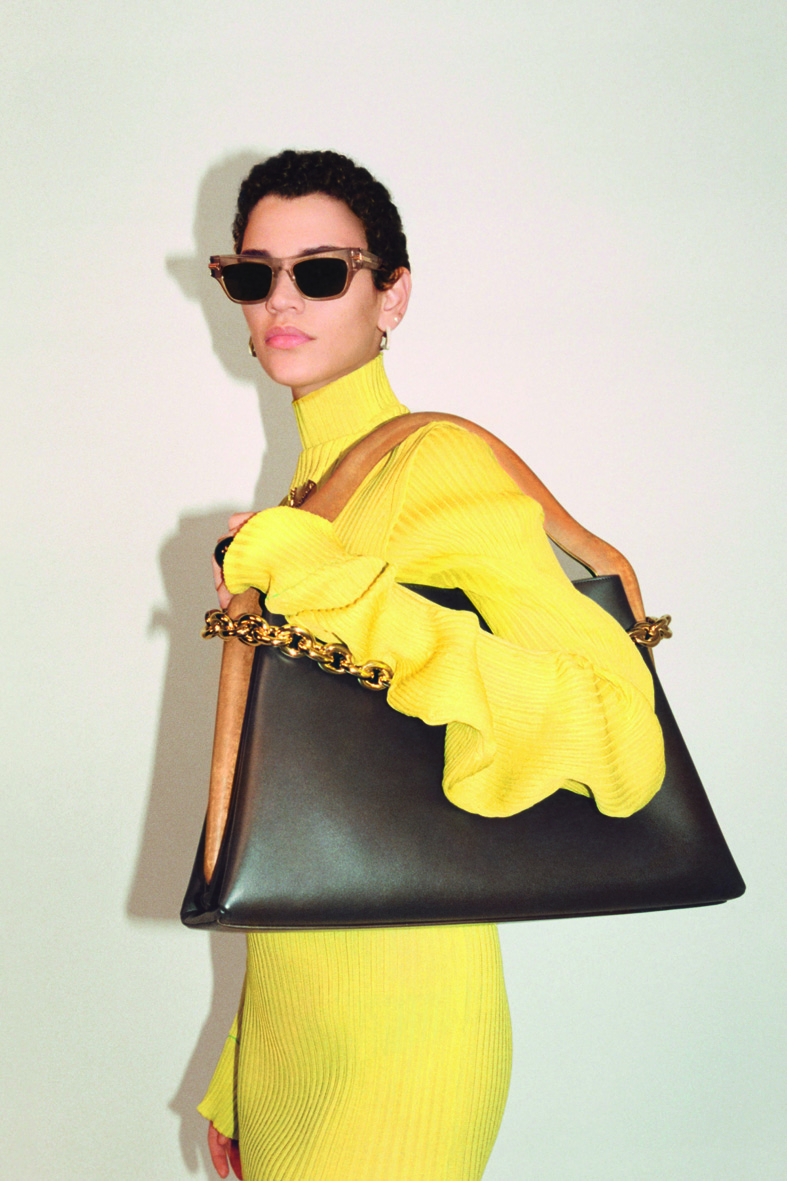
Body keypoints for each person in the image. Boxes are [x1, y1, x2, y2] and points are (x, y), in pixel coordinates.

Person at [196, 149, 665, 1181]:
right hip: (287, 1033)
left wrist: (338, 589)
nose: (282, 300)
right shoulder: (306, 487)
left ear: (393, 294)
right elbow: (298, 803)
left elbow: (619, 736)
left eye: (322, 272)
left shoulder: (434, 464)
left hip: (403, 1037)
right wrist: (239, 1057)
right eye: (255, 274)